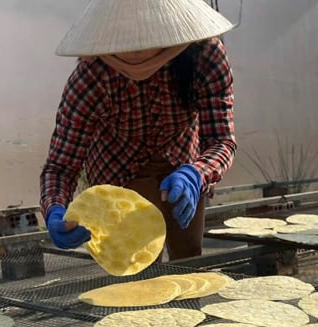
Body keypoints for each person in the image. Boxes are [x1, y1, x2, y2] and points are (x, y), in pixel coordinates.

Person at [39, 0, 238, 261]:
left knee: (190, 261)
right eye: (125, 42)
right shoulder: (93, 76)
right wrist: (55, 209)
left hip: (181, 165)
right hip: (118, 173)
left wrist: (197, 174)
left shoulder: (204, 57)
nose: (134, 53)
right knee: (134, 268)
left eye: (144, 40)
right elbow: (61, 166)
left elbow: (222, 140)